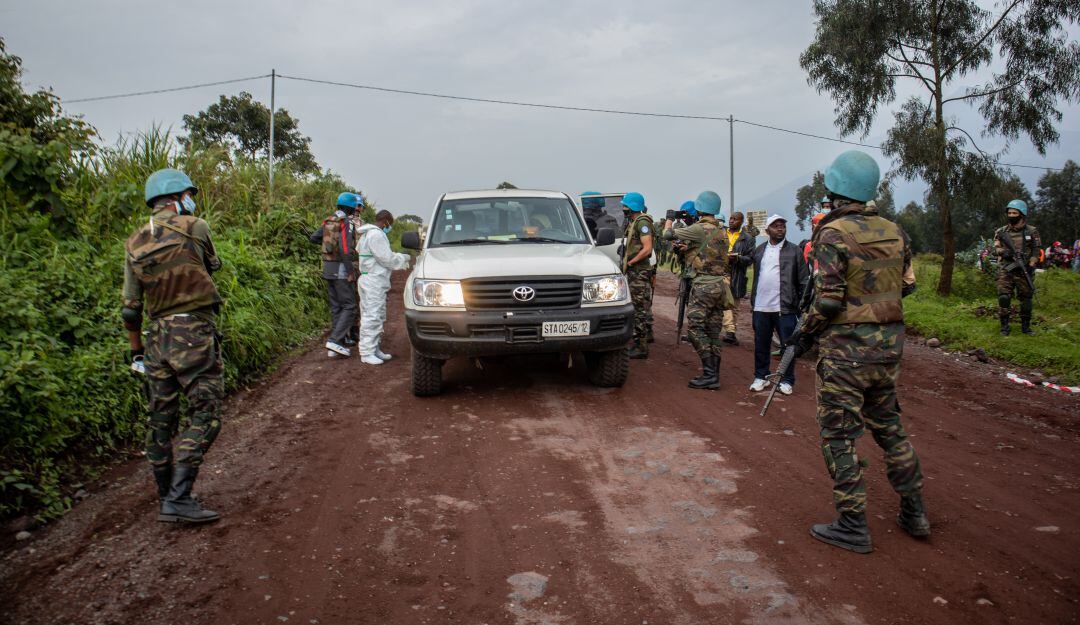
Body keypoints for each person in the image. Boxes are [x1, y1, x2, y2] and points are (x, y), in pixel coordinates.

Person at [788, 150, 927, 553]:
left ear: (834, 191)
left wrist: (803, 335)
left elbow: (828, 299)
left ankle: (852, 524)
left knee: (838, 435)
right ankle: (915, 511)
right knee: (890, 429)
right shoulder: (896, 231)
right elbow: (908, 285)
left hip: (846, 352)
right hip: (888, 350)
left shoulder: (833, 234)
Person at [123, 168, 224, 523]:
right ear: (180, 197)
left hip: (155, 338)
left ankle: (166, 494)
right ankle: (179, 497)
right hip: (193, 332)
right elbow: (212, 266)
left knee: (160, 419)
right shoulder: (195, 226)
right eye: (188, 195)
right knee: (207, 414)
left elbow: (130, 308)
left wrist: (136, 350)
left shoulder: (134, 242)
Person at [663, 190, 734, 389]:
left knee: (695, 329)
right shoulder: (721, 230)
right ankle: (715, 374)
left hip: (704, 286)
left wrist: (669, 219)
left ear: (700, 208)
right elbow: (710, 253)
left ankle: (710, 374)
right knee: (713, 331)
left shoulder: (698, 228)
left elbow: (667, 234)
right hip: (721, 286)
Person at [748, 215, 808, 395]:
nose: (780, 229)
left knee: (787, 346)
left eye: (782, 226)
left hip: (785, 308)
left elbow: (804, 280)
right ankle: (761, 376)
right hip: (761, 306)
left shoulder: (795, 251)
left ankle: (787, 380)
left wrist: (801, 304)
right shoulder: (759, 251)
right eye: (775, 226)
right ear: (767, 231)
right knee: (761, 344)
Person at [310, 192, 362, 357]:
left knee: (336, 307)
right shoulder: (344, 221)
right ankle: (334, 340)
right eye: (354, 207)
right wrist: (350, 271)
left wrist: (328, 245)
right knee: (350, 306)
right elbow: (345, 248)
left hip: (327, 268)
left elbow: (313, 238)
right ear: (350, 208)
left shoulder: (329, 220)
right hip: (341, 269)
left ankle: (336, 345)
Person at [356, 210, 411, 365]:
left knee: (376, 314)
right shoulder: (377, 235)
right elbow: (387, 259)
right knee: (372, 315)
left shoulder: (367, 234)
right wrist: (403, 258)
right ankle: (367, 352)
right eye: (390, 224)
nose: (389, 227)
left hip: (370, 278)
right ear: (386, 221)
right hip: (373, 280)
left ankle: (374, 348)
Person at [993, 199, 1041, 336]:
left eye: (1014, 213)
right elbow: (995, 249)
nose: (1011, 215)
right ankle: (1004, 327)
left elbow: (1036, 250)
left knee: (1026, 298)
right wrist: (1004, 252)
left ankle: (1026, 328)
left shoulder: (1032, 231)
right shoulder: (1001, 231)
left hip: (1024, 269)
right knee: (1003, 297)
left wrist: (1031, 264)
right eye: (1009, 213)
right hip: (1006, 268)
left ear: (1022, 214)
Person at [620, 192, 654, 359]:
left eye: (625, 206)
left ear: (632, 206)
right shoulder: (634, 222)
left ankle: (641, 347)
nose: (623, 208)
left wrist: (631, 262)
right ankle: (643, 339)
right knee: (639, 306)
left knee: (638, 308)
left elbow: (647, 248)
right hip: (635, 270)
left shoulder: (642, 222)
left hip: (639, 271)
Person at [723, 211, 756, 345]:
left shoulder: (748, 239)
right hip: (721, 273)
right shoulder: (721, 234)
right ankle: (730, 330)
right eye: (730, 218)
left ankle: (731, 332)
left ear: (741, 222)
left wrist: (737, 258)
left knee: (734, 304)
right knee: (726, 301)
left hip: (737, 274)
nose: (731, 221)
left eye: (735, 219)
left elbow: (751, 259)